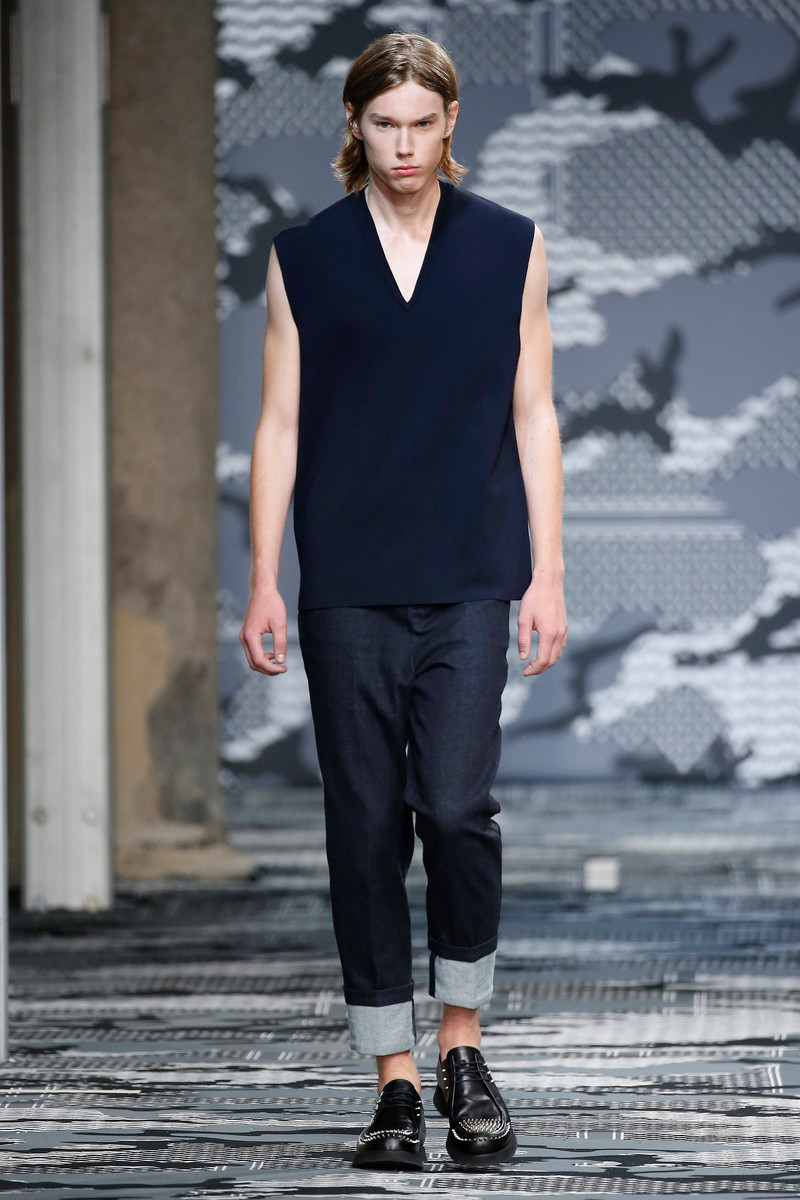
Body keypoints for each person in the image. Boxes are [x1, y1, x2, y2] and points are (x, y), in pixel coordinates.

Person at [240, 30, 567, 1172]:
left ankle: (462, 1049)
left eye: (423, 123)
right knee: (364, 826)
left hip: (471, 574)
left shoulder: (508, 246)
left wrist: (548, 573)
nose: (405, 144)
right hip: (347, 584)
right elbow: (278, 425)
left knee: (459, 809)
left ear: (451, 123)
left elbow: (534, 412)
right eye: (385, 124)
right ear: (355, 125)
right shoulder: (304, 257)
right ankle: (392, 1079)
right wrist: (262, 577)